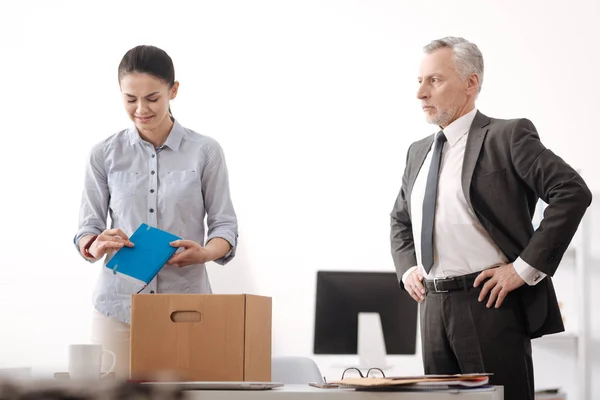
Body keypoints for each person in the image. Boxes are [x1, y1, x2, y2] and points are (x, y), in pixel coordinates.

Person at [390, 37, 592, 400]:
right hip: (432, 307)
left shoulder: (508, 136)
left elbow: (572, 191)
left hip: (488, 303)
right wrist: (407, 269)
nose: (421, 93)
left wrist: (523, 268)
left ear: (471, 83)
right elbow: (400, 219)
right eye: (419, 81)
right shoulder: (417, 152)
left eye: (434, 80)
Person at [74, 45, 238, 378]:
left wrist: (204, 253)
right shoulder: (104, 154)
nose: (140, 109)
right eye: (130, 99)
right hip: (118, 308)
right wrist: (97, 244)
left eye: (152, 97)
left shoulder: (205, 151)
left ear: (173, 90)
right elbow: (87, 229)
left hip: (186, 306)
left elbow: (225, 227)